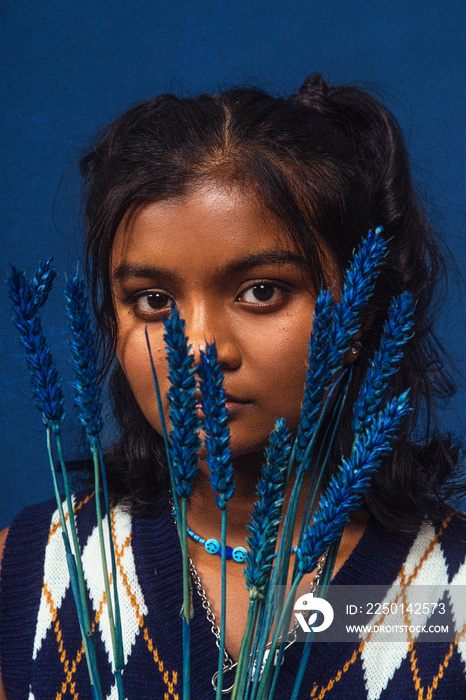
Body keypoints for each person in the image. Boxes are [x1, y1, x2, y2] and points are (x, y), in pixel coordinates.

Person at [0, 74, 465, 699]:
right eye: (154, 300)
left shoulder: (452, 591)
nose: (200, 350)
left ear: (361, 311)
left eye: (261, 292)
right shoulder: (31, 578)